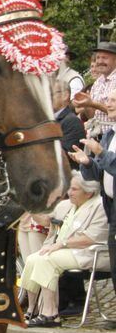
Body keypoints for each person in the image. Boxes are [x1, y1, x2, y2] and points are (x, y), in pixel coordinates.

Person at [19, 175, 109, 327]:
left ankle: (51, 314)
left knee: (47, 259)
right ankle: (32, 309)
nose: (69, 192)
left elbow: (91, 238)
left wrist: (61, 244)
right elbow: (45, 221)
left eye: (74, 189)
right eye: (69, 188)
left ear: (88, 193)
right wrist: (28, 208)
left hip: (92, 253)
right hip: (69, 251)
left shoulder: (100, 206)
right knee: (32, 259)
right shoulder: (66, 205)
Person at [70, 85, 116, 301]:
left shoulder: (105, 143)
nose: (109, 104)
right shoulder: (109, 135)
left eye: (114, 100)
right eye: (108, 100)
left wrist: (101, 154)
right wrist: (87, 161)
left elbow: (110, 162)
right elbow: (97, 174)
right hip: (111, 207)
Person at [73, 41, 116, 136]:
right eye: (98, 57)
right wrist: (85, 104)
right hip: (97, 137)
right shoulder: (98, 82)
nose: (100, 61)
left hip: (113, 138)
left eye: (104, 58)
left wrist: (92, 103)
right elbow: (92, 116)